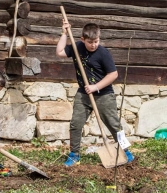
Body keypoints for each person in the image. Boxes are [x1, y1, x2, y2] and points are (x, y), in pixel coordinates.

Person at [56, 21, 134, 167]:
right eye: (90, 42)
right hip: (84, 93)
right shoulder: (77, 46)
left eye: (96, 41)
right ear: (82, 39)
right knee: (76, 123)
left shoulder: (103, 53)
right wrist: (65, 33)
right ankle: (74, 155)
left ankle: (126, 151)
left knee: (113, 124)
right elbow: (60, 52)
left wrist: (96, 87)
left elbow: (113, 74)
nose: (93, 45)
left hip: (104, 94)